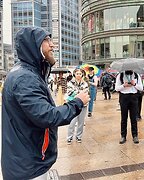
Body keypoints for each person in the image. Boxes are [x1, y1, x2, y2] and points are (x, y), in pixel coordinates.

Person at [1, 27, 90, 179]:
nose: (52, 45)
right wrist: (78, 102)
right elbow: (47, 116)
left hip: (28, 161)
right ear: (33, 45)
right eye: (46, 40)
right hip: (29, 167)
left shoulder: (27, 74)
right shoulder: (25, 78)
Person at [115, 70, 143, 144]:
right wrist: (124, 85)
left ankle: (135, 135)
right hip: (124, 97)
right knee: (124, 118)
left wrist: (134, 84)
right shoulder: (120, 76)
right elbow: (116, 88)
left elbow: (141, 88)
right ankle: (123, 136)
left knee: (134, 118)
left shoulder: (136, 75)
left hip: (133, 97)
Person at [66, 68, 89, 144]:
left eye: (80, 73)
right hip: (73, 104)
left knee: (81, 122)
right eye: (77, 73)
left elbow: (86, 92)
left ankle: (79, 136)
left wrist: (76, 92)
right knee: (72, 122)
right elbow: (69, 93)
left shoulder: (85, 83)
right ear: (74, 74)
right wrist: (79, 92)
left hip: (83, 104)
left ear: (82, 74)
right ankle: (69, 137)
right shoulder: (70, 83)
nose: (78, 75)